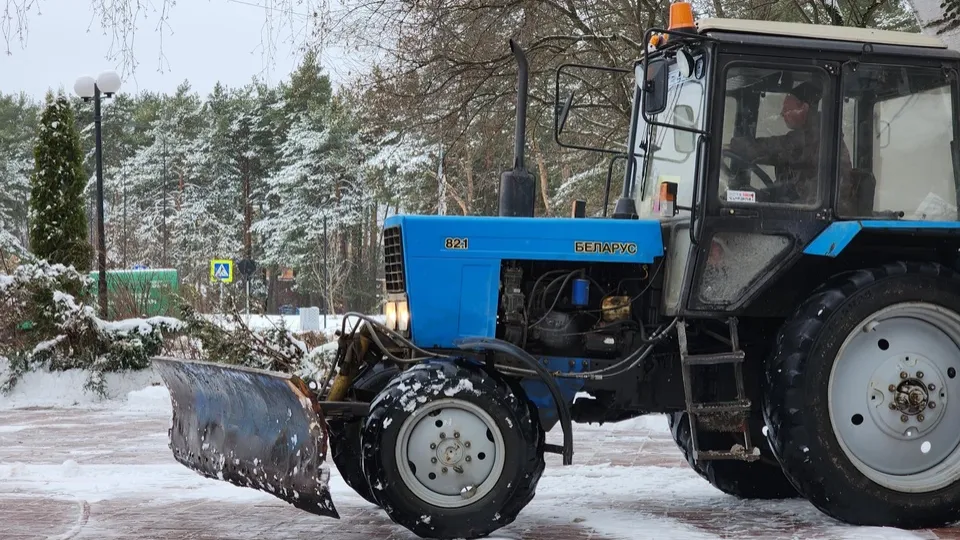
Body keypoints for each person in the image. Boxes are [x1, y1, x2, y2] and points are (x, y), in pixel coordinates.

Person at [726, 80, 851, 205]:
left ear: (804, 108)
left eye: (787, 109)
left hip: (810, 208)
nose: (782, 114)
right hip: (802, 203)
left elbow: (773, 149)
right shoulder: (812, 137)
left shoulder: (814, 137)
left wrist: (734, 147)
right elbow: (787, 186)